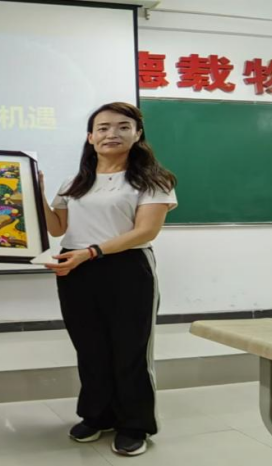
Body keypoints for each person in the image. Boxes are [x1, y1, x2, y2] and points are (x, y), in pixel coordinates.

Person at [40, 102, 177, 457]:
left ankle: (135, 425)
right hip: (76, 270)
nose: (111, 134)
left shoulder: (152, 180)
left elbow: (145, 231)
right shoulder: (74, 183)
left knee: (131, 350)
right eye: (102, 128)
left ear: (137, 134)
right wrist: (34, 192)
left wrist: (92, 252)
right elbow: (57, 227)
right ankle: (97, 415)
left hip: (127, 269)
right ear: (90, 137)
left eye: (122, 127)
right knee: (90, 348)